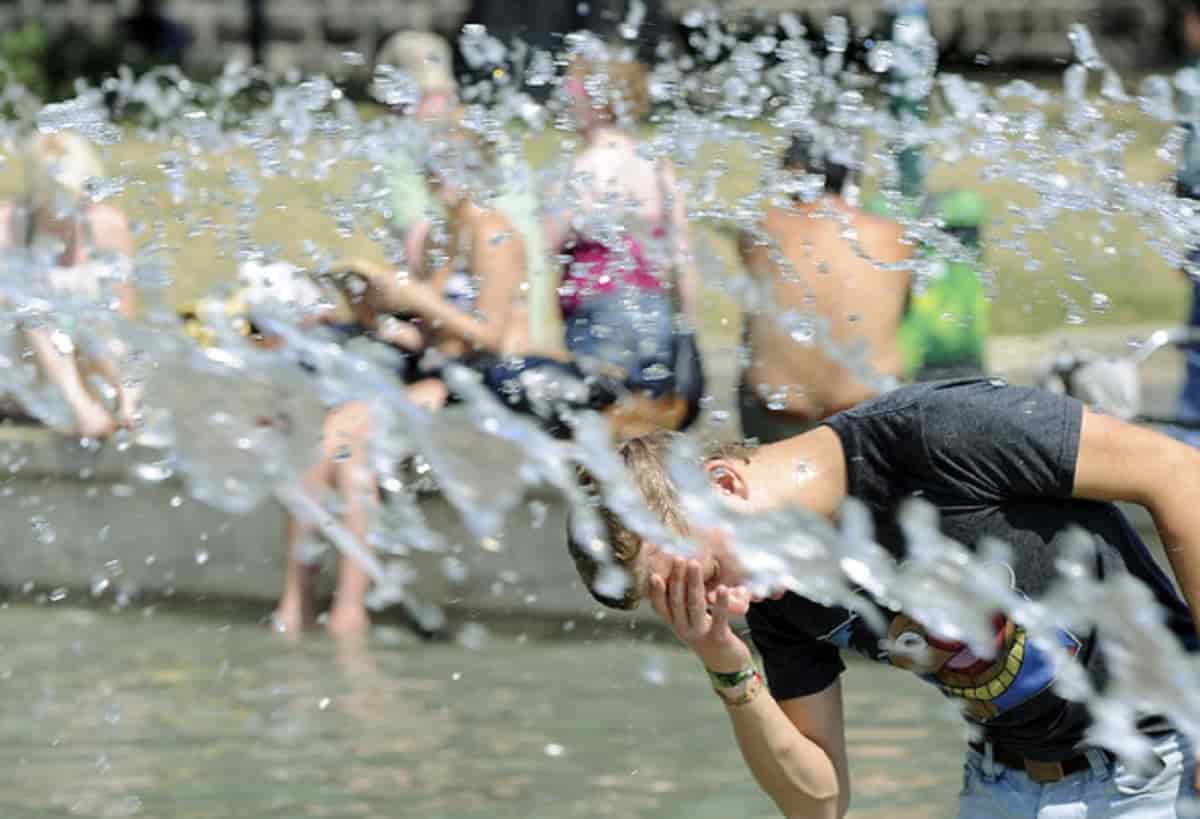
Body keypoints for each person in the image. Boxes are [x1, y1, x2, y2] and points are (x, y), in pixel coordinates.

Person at [567, 377, 1200, 818]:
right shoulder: (775, 596)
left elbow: (1177, 472)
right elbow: (818, 803)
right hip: (1000, 788)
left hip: (1165, 767)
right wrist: (724, 661)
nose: (722, 604)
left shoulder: (934, 434)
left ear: (722, 482)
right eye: (689, 601)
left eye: (704, 580)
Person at [270, 121, 528, 637]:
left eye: (450, 167)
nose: (440, 178)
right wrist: (371, 313)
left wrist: (417, 299)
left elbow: (493, 337)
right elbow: (427, 334)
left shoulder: (494, 233)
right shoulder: (440, 237)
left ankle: (345, 607)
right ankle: (301, 600)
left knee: (345, 432)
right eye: (432, 167)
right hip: (430, 373)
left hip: (481, 385)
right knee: (330, 445)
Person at [540, 43, 705, 438]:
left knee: (596, 431)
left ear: (599, 102)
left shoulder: (581, 168)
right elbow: (682, 258)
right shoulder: (655, 165)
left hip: (598, 315)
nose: (567, 105)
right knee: (646, 431)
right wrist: (689, 330)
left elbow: (543, 246)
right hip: (653, 313)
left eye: (574, 95)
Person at [375, 30, 552, 351]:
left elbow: (419, 253)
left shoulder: (412, 148)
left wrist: (409, 295)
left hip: (496, 347)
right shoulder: (481, 133)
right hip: (507, 327)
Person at [738, 131, 912, 444]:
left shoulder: (762, 228)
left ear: (795, 172)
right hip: (865, 406)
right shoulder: (893, 235)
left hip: (780, 409)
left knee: (752, 329)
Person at [0, 132, 137, 439]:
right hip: (24, 365)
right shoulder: (9, 223)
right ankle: (81, 407)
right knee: (30, 307)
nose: (62, 212)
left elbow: (124, 319)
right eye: (53, 199)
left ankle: (126, 402)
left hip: (91, 360)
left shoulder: (107, 225)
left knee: (93, 316)